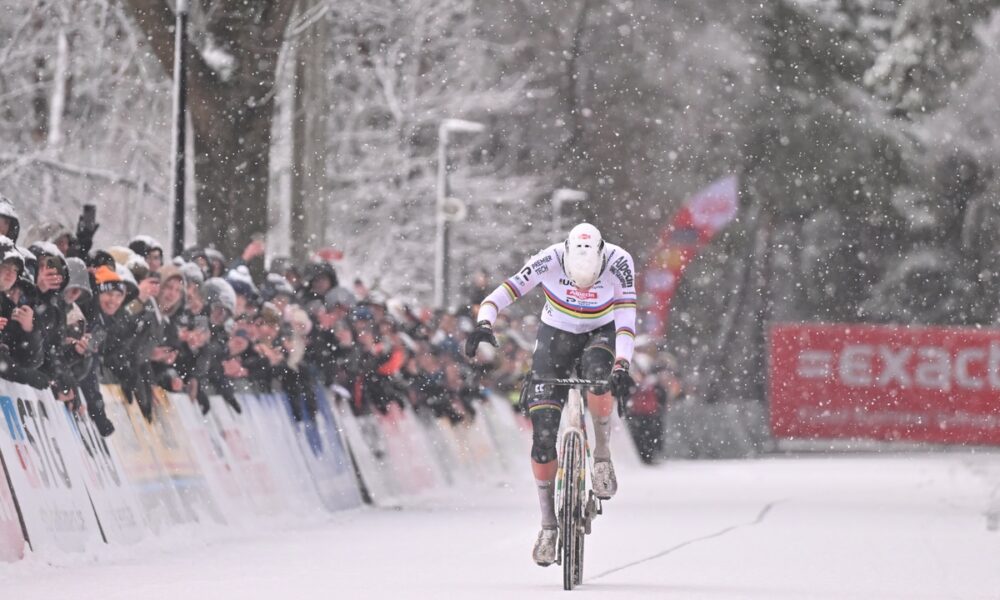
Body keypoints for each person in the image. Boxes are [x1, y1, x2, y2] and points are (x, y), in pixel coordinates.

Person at [465, 222, 637, 567]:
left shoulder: (620, 261)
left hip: (600, 333)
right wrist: (484, 322)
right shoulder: (549, 259)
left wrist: (622, 364)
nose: (582, 287)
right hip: (556, 336)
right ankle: (548, 526)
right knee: (543, 437)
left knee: (600, 374)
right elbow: (504, 292)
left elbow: (626, 320)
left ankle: (601, 456)